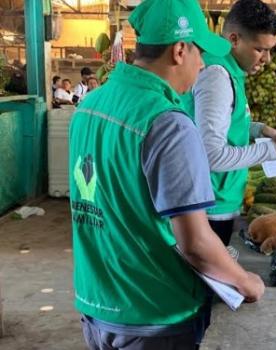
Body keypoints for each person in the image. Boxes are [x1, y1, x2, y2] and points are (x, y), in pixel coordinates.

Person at [69, 1, 264, 349]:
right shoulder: (168, 123)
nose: (203, 64)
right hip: (155, 311)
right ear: (179, 51)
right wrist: (245, 281)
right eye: (199, 53)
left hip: (97, 303)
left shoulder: (90, 105)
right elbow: (195, 243)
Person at [183, 0, 276, 246]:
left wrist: (260, 130)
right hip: (211, 206)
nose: (267, 59)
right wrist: (273, 149)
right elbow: (211, 156)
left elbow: (223, 123)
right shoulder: (216, 76)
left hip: (220, 199)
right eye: (260, 49)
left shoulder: (229, 69)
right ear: (234, 39)